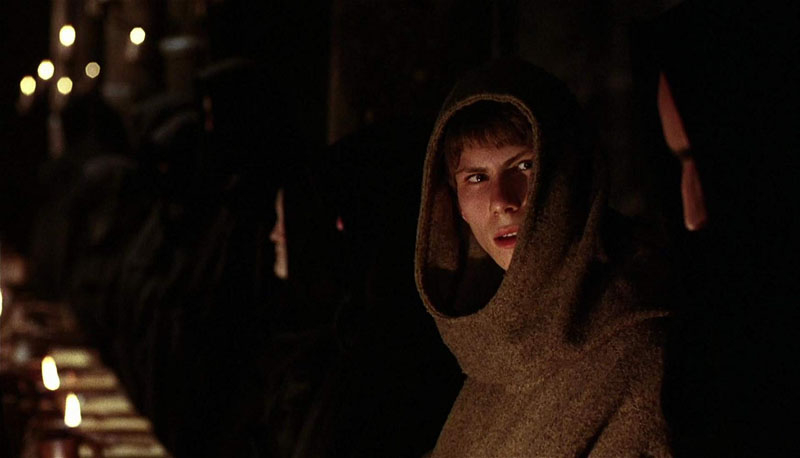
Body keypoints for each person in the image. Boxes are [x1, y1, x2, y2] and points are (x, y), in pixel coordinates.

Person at [414, 58, 673, 456]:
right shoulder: (489, 353)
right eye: (477, 178)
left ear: (568, 174)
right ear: (456, 202)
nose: (502, 201)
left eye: (524, 165)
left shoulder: (637, 352)